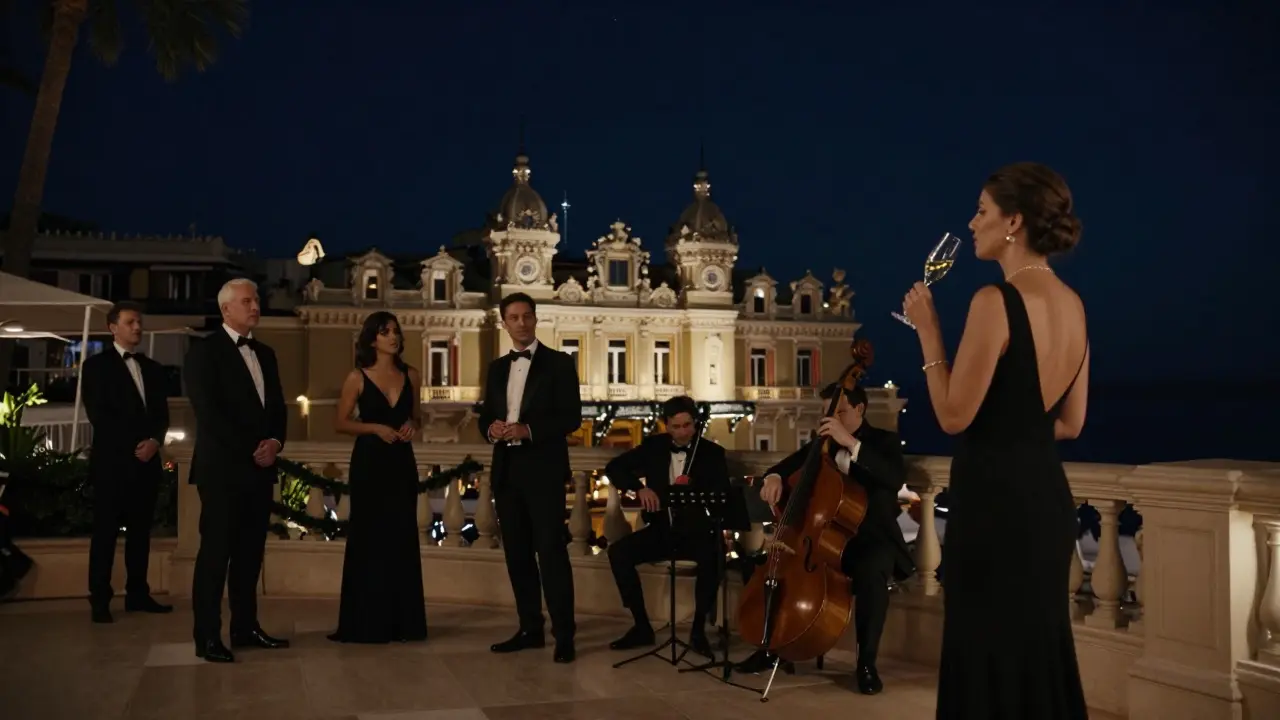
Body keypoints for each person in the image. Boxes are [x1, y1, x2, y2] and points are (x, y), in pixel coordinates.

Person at [901, 161, 1089, 719]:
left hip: (995, 509)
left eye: (982, 211)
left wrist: (929, 333)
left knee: (986, 660)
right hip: (1046, 503)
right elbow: (1071, 423)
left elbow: (954, 415)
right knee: (1037, 658)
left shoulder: (993, 302)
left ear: (1014, 221)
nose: (972, 221)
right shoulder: (1074, 305)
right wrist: (1015, 430)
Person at [738, 383, 912, 696]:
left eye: (838, 411)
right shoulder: (822, 445)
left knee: (873, 576)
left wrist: (850, 443)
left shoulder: (883, 441)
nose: (829, 419)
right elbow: (784, 466)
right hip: (821, 541)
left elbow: (892, 477)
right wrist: (774, 477)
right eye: (826, 413)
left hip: (868, 540)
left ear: (859, 409)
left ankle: (866, 665)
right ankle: (771, 647)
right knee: (766, 569)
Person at [185, 278, 290, 663]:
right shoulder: (204, 352)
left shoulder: (266, 353)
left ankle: (245, 628)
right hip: (223, 470)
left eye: (257, 299)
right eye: (247, 301)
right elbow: (209, 415)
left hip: (260, 471)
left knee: (250, 555)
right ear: (226, 309)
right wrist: (252, 449)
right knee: (216, 555)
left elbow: (278, 408)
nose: (255, 305)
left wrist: (275, 444)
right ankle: (207, 637)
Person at [479, 292, 582, 664]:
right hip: (507, 471)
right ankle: (529, 629)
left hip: (545, 471)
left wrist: (528, 430)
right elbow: (484, 416)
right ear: (504, 323)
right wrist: (491, 431)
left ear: (535, 319)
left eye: (527, 316)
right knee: (517, 556)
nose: (521, 323)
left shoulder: (559, 364)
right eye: (513, 318)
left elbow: (572, 417)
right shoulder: (495, 369)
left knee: (552, 555)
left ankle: (564, 635)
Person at [601, 395, 729, 658]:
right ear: (665, 426)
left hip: (697, 532)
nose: (683, 432)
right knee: (619, 553)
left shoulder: (712, 453)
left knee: (713, 557)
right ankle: (641, 625)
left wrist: (693, 491)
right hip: (662, 530)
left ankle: (697, 630)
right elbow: (614, 468)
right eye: (676, 427)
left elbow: (722, 495)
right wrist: (640, 488)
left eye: (688, 425)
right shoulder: (654, 447)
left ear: (696, 423)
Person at [328, 311, 428, 644]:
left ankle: (404, 624)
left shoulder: (411, 375)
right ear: (373, 339)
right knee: (369, 539)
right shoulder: (357, 377)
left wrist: (413, 426)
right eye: (386, 332)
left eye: (396, 331)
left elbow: (417, 418)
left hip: (401, 462)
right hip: (370, 463)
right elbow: (340, 423)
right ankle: (365, 623)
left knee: (401, 537)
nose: (394, 337)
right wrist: (374, 427)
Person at [81, 302, 173, 623]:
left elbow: (161, 415)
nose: (137, 327)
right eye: (131, 322)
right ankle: (100, 599)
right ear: (112, 327)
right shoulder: (95, 367)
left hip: (145, 465)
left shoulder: (153, 368)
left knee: (140, 534)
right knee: (104, 534)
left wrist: (154, 442)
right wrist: (135, 445)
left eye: (139, 322)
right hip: (112, 465)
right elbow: (100, 416)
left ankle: (138, 594)